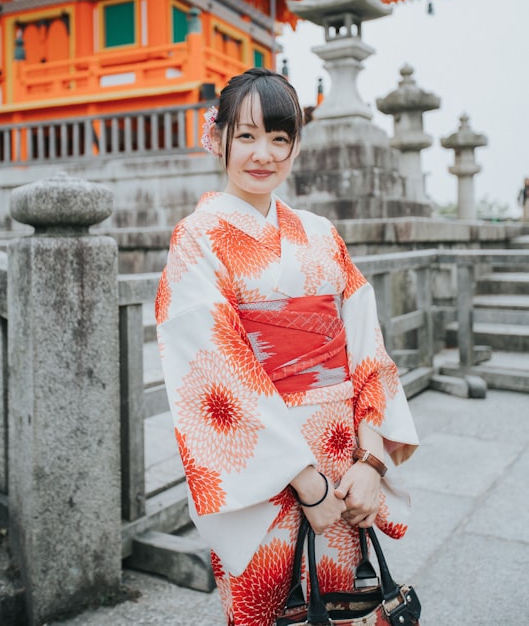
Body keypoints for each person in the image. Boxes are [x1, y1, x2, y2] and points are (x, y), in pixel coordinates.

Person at [155, 68, 419, 626]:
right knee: (271, 606)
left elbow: (367, 345)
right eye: (246, 135)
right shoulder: (197, 238)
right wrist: (303, 479)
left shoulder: (322, 234)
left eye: (280, 138)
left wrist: (370, 462)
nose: (263, 153)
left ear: (296, 144)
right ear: (216, 135)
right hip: (265, 476)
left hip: (343, 460)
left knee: (346, 602)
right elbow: (212, 371)